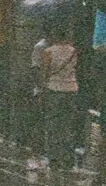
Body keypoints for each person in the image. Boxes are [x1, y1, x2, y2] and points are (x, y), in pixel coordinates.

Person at [33, 23, 82, 172]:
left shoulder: (49, 51)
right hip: (72, 89)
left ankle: (54, 158)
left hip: (54, 89)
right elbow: (75, 68)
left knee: (53, 124)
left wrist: (41, 90)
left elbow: (44, 72)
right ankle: (68, 158)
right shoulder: (73, 51)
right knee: (68, 124)